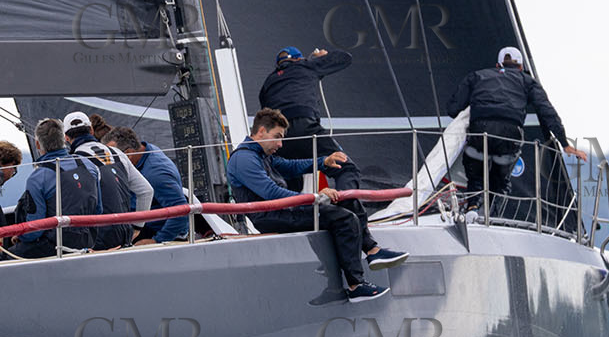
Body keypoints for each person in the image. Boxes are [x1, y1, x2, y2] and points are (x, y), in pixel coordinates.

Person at [227, 109, 405, 301]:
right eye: (277, 137)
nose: (280, 144)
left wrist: (323, 161)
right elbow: (271, 193)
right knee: (345, 219)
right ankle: (356, 285)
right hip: (272, 216)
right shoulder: (244, 159)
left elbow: (290, 166)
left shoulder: (260, 155)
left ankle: (370, 254)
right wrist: (314, 197)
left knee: (345, 210)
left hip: (281, 211)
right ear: (261, 131)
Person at [259, 45, 388, 255]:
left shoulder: (269, 82)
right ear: (298, 60)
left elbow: (266, 111)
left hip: (280, 136)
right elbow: (344, 57)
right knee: (346, 169)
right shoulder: (307, 66)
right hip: (306, 127)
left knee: (289, 181)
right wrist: (317, 58)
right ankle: (347, 211)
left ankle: (287, 232)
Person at [447, 47, 588, 215]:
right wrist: (565, 144)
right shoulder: (527, 81)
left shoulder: (477, 76)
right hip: (509, 135)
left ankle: (472, 207)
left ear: (498, 65)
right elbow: (547, 112)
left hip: (480, 131)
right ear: (521, 67)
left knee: (476, 175)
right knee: (501, 180)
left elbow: (453, 109)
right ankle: (492, 217)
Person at [11, 119, 102, 259]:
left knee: (8, 257)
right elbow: (98, 210)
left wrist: (20, 236)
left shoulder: (37, 178)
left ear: (37, 144)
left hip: (56, 246)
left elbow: (35, 230)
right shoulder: (88, 165)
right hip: (88, 241)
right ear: (63, 140)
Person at [63, 111, 136, 249]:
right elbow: (146, 191)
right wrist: (137, 227)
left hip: (100, 240)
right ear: (91, 130)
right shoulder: (118, 153)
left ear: (66, 138)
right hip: (125, 235)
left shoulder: (75, 163)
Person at [106, 127, 188, 244]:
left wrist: (156, 241)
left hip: (157, 231)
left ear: (128, 154)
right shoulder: (146, 150)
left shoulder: (156, 174)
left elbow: (181, 211)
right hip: (143, 221)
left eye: (113, 157)